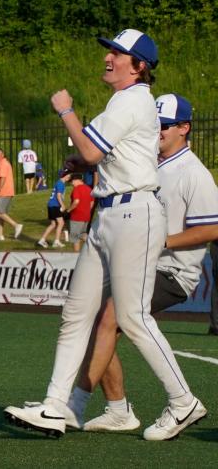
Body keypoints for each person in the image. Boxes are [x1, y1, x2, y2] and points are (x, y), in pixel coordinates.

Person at [4, 29, 207, 441]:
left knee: (131, 317)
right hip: (110, 213)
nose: (108, 58)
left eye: (118, 53)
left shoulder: (133, 99)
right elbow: (101, 157)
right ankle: (56, 406)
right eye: (110, 51)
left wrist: (66, 111)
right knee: (76, 313)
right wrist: (82, 162)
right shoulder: (127, 100)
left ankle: (183, 401)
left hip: (134, 212)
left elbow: (94, 151)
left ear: (139, 67)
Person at [69, 93, 218, 434]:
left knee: (111, 316)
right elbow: (107, 161)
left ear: (185, 128)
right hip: (142, 261)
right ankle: (118, 409)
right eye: (157, 124)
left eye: (166, 125)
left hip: (172, 270)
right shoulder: (149, 161)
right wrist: (82, 163)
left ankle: (181, 401)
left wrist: (162, 240)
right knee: (95, 317)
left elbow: (212, 227)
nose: (160, 130)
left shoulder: (194, 173)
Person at [0, 147, 22, 241]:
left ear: (2, 155)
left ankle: (16, 225)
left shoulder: (3, 164)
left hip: (4, 192)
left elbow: (3, 179)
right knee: (0, 212)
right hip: (4, 192)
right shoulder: (2, 164)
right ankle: (0, 234)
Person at [38, 170, 71, 248]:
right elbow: (58, 196)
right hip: (55, 205)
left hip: (51, 205)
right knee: (61, 223)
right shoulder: (61, 184)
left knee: (53, 224)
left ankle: (42, 240)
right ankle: (56, 242)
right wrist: (62, 205)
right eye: (68, 176)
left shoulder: (58, 182)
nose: (69, 177)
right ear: (64, 176)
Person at [67, 174, 93, 252]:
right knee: (83, 234)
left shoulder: (77, 189)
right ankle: (92, 248)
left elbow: (76, 201)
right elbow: (92, 202)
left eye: (72, 181)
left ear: (76, 180)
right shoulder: (89, 189)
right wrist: (87, 211)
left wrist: (68, 210)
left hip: (77, 217)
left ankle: (76, 256)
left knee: (75, 238)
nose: (71, 183)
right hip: (86, 216)